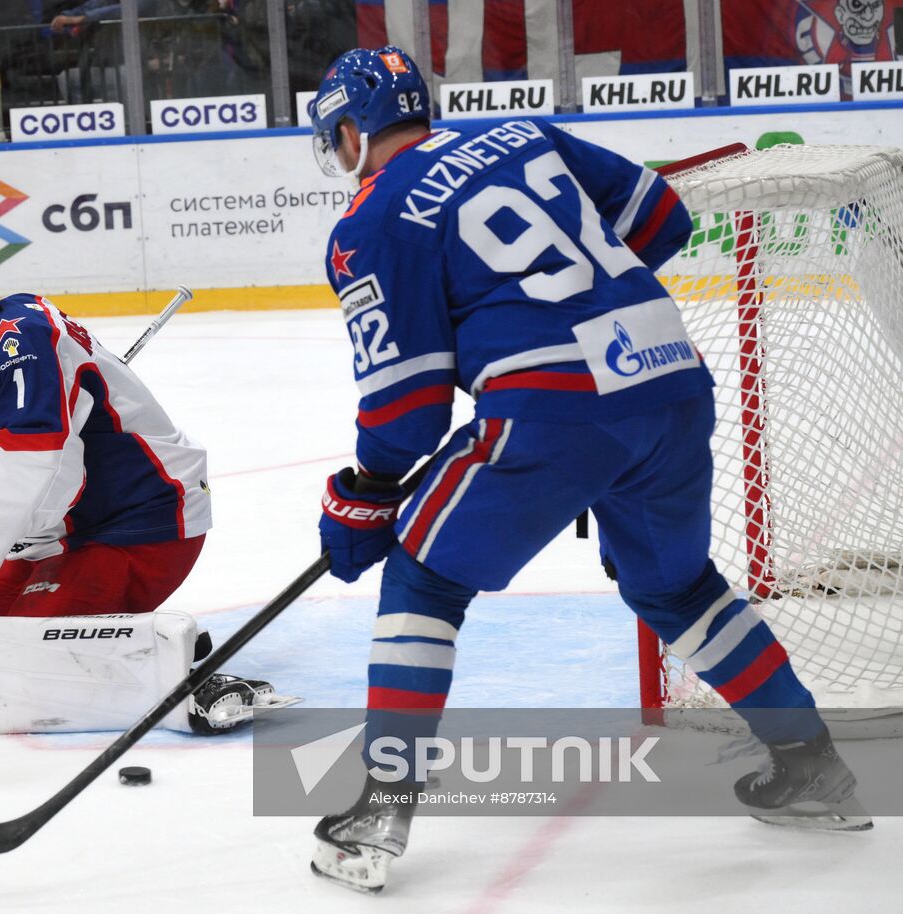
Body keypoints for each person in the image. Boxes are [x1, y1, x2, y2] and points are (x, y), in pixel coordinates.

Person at [304, 46, 869, 894]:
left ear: (350, 133)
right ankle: (811, 763)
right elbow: (664, 219)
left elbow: (406, 409)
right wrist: (575, 312)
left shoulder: (370, 223)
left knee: (423, 580)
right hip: (671, 381)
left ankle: (382, 806)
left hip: (553, 412)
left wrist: (368, 493)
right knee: (679, 590)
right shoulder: (522, 133)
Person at [0, 249, 285, 735]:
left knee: (27, 663)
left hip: (144, 522)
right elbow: (19, 476)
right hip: (82, 521)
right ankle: (120, 634)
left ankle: (182, 682)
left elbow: (35, 464)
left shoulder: (13, 337)